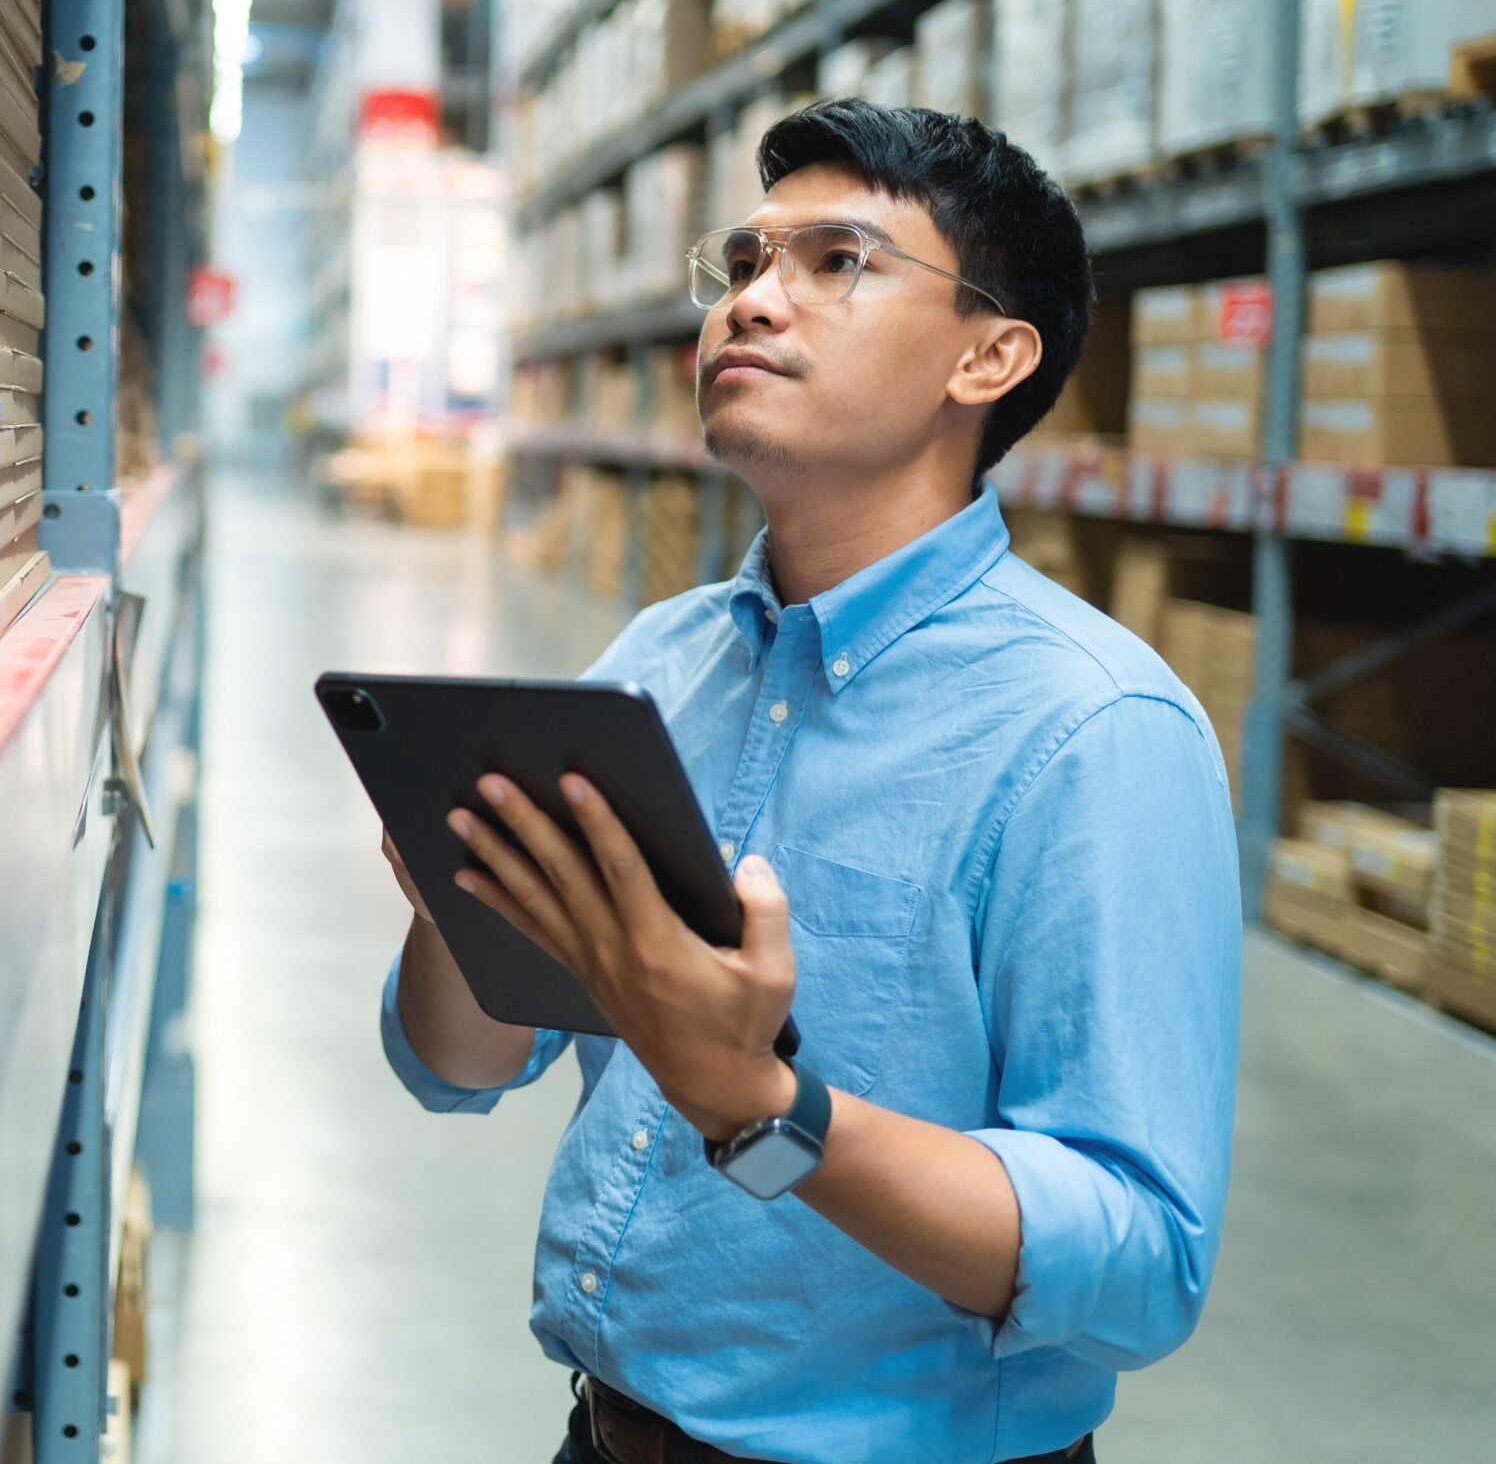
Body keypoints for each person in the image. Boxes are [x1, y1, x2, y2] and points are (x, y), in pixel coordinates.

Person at [379, 101, 1241, 1464]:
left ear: (989, 355)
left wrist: (764, 1116)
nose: (753, 304)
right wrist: (455, 900)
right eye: (743, 266)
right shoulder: (660, 666)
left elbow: (1140, 1268)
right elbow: (461, 1062)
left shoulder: (1094, 731)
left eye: (836, 261)